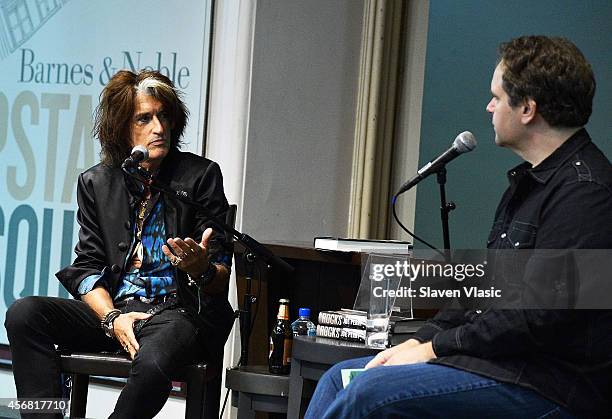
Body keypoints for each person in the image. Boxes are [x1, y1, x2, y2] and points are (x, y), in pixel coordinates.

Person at [305, 36, 612, 418]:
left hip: (546, 385)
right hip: (498, 367)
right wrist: (416, 340)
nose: (489, 107)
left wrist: (433, 350)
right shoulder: (528, 185)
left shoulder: (588, 194)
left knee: (369, 393)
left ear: (528, 108)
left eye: (496, 97)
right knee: (339, 378)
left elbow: (537, 317)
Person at [5, 70, 235, 418]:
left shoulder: (200, 177)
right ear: (122, 129)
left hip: (177, 313)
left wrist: (201, 268)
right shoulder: (96, 182)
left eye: (164, 116)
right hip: (118, 310)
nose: (159, 128)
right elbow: (87, 265)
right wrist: (113, 317)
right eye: (145, 118)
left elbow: (220, 275)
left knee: (154, 360)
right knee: (24, 314)